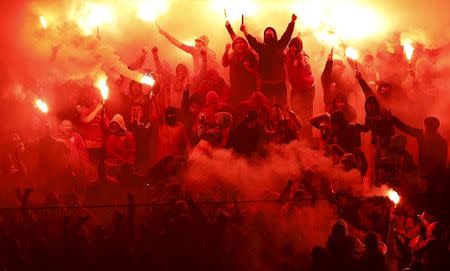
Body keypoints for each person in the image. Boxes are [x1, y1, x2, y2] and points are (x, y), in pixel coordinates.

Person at [240, 14, 297, 104]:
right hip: (266, 85)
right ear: (264, 36)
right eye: (267, 34)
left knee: (282, 107)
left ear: (274, 35)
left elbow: (287, 35)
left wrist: (292, 22)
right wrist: (244, 31)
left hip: (280, 84)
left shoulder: (280, 45)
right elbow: (252, 41)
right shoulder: (261, 48)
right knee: (267, 108)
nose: (269, 35)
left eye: (271, 34)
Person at [393, 116, 448, 181]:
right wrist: (392, 118)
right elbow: (406, 128)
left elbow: (443, 162)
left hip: (434, 176)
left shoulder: (442, 143)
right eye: (426, 126)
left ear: (433, 129)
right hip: (422, 173)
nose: (425, 129)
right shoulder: (421, 134)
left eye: (427, 127)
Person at [285, 37, 315, 140]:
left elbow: (305, 62)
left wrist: (300, 61)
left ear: (299, 48)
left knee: (307, 113)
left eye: (296, 47)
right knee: (295, 112)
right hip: (296, 88)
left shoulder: (302, 57)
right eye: (292, 46)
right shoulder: (287, 55)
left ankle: (308, 137)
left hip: (308, 88)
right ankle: (297, 137)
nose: (293, 49)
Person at [105, 114, 136, 181]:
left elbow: (132, 152)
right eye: (112, 125)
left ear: (120, 125)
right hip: (111, 168)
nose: (114, 127)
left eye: (116, 125)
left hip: (123, 168)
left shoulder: (128, 136)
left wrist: (128, 165)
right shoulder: (110, 136)